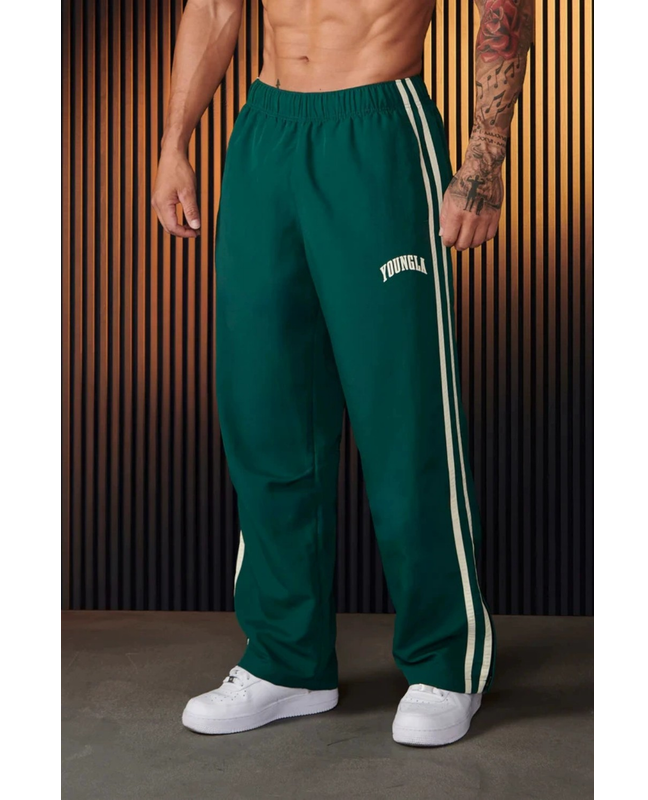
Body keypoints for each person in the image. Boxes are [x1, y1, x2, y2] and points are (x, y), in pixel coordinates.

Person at [151, 0, 533, 747]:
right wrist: (175, 143)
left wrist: (485, 157)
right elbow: (215, 6)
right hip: (266, 133)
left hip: (376, 130)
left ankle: (444, 662)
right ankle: (287, 660)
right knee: (264, 412)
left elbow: (503, 6)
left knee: (404, 414)